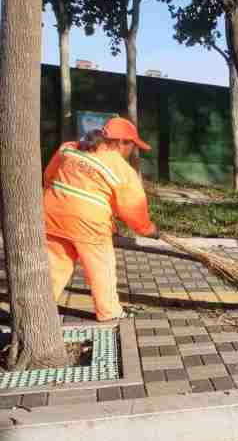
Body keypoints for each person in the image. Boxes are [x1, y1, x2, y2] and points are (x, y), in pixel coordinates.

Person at [43, 117, 159, 322]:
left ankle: (40, 309)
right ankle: (109, 313)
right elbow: (133, 208)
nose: (132, 151)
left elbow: (49, 175)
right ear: (121, 142)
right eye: (132, 145)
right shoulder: (122, 171)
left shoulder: (70, 148)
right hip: (89, 226)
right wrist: (148, 230)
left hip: (52, 216)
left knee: (54, 266)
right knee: (101, 269)